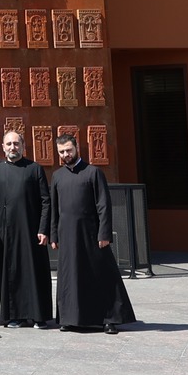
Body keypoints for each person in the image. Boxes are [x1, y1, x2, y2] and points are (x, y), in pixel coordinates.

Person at [48, 134, 137, 335]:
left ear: (76, 148)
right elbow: (55, 208)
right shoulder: (57, 176)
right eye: (62, 152)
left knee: (101, 275)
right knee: (70, 278)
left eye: (68, 150)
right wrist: (54, 235)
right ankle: (70, 319)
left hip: (92, 235)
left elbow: (103, 205)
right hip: (67, 236)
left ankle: (109, 319)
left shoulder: (93, 172)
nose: (66, 154)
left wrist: (104, 233)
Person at [0, 130, 53, 329]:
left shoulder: (34, 169)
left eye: (16, 143)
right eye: (9, 144)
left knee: (35, 272)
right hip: (7, 232)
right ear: (3, 147)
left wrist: (43, 229)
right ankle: (15, 316)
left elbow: (45, 201)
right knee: (12, 273)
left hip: (32, 231)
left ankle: (39, 316)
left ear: (23, 146)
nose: (12, 147)